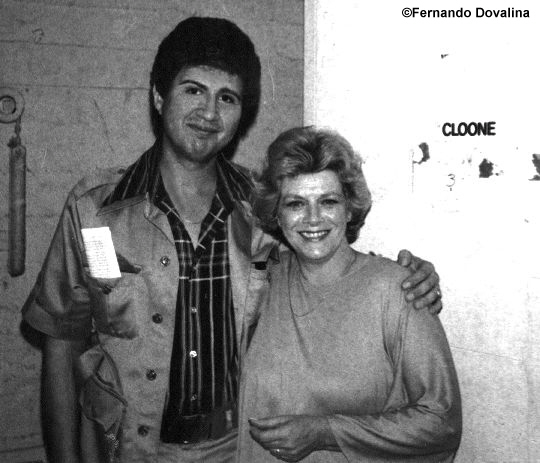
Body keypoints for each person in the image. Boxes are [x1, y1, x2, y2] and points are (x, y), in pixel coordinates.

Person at [21, 17, 442, 463]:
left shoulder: (264, 209)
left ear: (242, 114)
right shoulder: (95, 210)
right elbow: (61, 342)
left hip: (238, 448)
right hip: (125, 448)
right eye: (193, 90)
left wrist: (404, 278)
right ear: (159, 96)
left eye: (227, 98)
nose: (209, 113)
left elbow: (327, 258)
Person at [236, 126, 462, 462]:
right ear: (276, 215)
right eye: (296, 203)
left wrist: (326, 432)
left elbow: (441, 421)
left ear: (350, 209)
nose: (313, 218)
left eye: (328, 201)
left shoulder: (398, 290)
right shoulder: (261, 281)